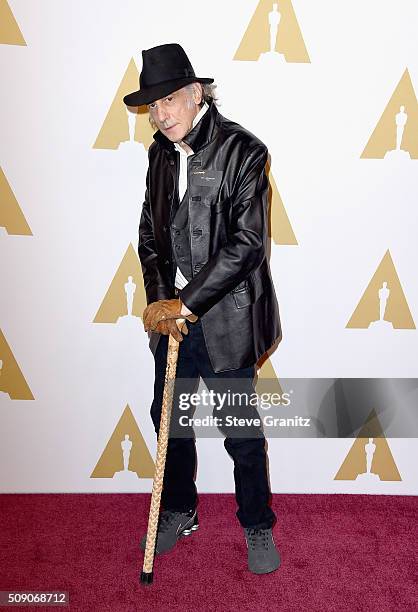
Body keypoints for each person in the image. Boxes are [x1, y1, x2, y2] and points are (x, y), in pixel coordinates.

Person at [123, 43, 282, 574]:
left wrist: (184, 302)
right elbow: (149, 235)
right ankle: (180, 510)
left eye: (169, 99)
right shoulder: (159, 154)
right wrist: (159, 304)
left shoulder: (244, 151)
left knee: (239, 429)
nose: (161, 114)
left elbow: (248, 244)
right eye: (152, 106)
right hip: (173, 322)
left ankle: (257, 525)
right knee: (169, 422)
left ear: (196, 94)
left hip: (228, 321)